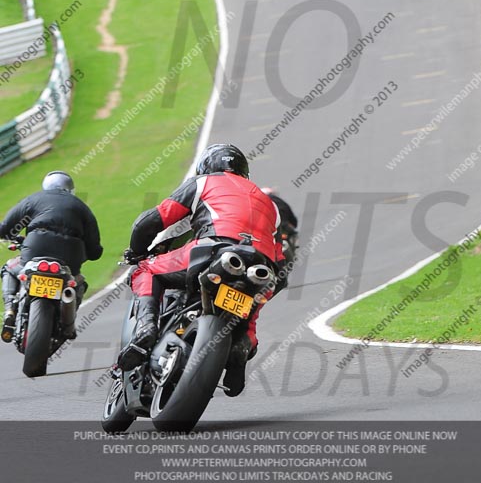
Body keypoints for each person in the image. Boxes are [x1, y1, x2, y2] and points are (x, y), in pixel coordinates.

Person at [118, 143, 285, 396]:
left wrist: (137, 251)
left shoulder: (204, 182)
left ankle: (145, 329)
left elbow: (150, 221)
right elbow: (281, 266)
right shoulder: (270, 204)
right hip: (261, 267)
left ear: (206, 166)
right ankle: (242, 345)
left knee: (146, 270)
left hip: (214, 249)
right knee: (250, 314)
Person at [0, 171, 103, 343]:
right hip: (70, 256)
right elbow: (94, 250)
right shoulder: (81, 207)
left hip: (35, 248)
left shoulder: (33, 199)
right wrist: (90, 252)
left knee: (10, 268)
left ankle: (10, 309)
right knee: (78, 283)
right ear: (70, 189)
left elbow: (5, 229)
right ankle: (69, 326)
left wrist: (15, 237)